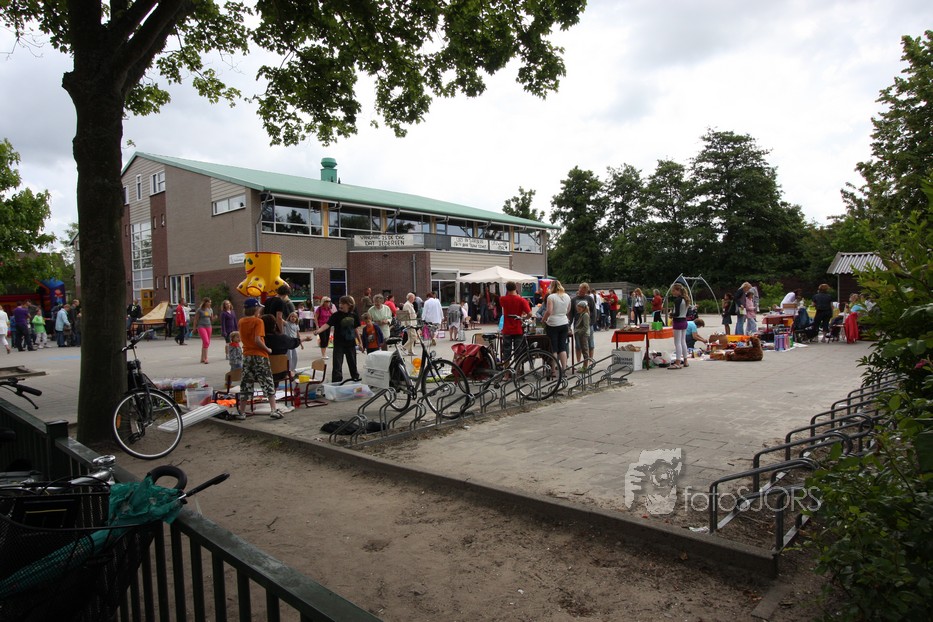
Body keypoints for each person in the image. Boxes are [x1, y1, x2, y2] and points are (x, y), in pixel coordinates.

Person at [237, 298, 284, 420]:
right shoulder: (258, 322)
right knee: (267, 381)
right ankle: (273, 409)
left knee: (246, 382)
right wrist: (267, 349)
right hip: (259, 355)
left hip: (247, 355)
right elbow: (258, 340)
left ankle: (242, 412)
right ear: (256, 309)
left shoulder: (241, 321)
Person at [310, 295, 362, 383]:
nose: (340, 305)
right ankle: (336, 381)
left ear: (349, 305)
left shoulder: (354, 315)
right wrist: (318, 330)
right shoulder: (336, 315)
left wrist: (360, 342)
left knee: (352, 363)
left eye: (343, 303)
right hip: (339, 343)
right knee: (337, 364)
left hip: (350, 343)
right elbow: (327, 324)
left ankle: (355, 378)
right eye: (340, 303)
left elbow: (356, 329)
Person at [542, 280, 572, 372]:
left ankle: (553, 370)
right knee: (562, 347)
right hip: (564, 322)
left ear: (552, 287)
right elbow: (568, 310)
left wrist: (543, 319)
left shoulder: (551, 297)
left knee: (554, 348)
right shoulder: (567, 296)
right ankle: (564, 368)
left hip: (553, 324)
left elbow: (549, 311)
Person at [499, 282, 532, 361]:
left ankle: (506, 368)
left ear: (507, 289)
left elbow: (502, 304)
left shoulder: (502, 299)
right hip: (518, 328)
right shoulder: (522, 300)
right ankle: (518, 367)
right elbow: (530, 314)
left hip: (507, 329)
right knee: (518, 351)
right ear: (515, 288)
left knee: (506, 351)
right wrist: (523, 318)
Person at [569, 283, 596, 359]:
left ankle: (590, 360)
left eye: (584, 292)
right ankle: (578, 362)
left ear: (586, 291)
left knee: (590, 344)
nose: (582, 293)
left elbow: (594, 311)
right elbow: (571, 314)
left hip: (588, 324)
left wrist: (591, 323)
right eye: (581, 291)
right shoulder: (573, 300)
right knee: (578, 345)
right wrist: (569, 325)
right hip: (577, 325)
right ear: (579, 289)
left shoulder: (589, 299)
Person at [669, 283, 690, 369]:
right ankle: (685, 360)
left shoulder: (677, 300)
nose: (673, 293)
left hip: (678, 322)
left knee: (677, 342)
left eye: (674, 291)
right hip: (684, 321)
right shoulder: (686, 299)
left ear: (678, 291)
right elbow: (687, 313)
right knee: (683, 341)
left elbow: (677, 313)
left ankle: (677, 362)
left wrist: (671, 315)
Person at [194, 298, 215, 364]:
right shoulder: (200, 310)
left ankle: (202, 358)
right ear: (205, 302)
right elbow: (196, 319)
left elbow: (211, 319)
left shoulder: (210, 309)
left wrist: (215, 318)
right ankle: (206, 358)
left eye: (210, 302)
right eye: (209, 302)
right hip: (201, 327)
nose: (210, 303)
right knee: (206, 341)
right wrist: (194, 328)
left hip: (209, 326)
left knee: (206, 343)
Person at [573, 299, 591, 365]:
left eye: (579, 308)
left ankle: (585, 366)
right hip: (582, 335)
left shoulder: (585, 315)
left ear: (583, 308)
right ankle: (585, 365)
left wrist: (580, 332)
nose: (578, 309)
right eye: (578, 308)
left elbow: (586, 326)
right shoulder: (582, 314)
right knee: (584, 350)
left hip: (583, 335)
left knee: (585, 351)